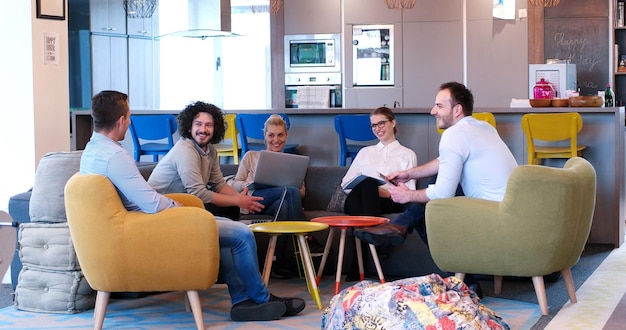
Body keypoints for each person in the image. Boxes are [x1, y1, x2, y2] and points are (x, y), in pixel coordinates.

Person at [81, 92, 304, 322]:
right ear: (120, 120)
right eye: (128, 117)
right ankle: (261, 299)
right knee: (240, 233)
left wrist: (240, 197)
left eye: (209, 124)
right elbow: (153, 200)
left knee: (229, 230)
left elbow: (216, 183)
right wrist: (177, 206)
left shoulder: (94, 151)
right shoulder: (118, 156)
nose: (129, 121)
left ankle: (243, 302)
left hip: (154, 217)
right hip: (155, 221)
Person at [354, 82, 518, 248]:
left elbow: (442, 193)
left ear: (457, 110)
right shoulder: (483, 128)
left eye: (439, 106)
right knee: (443, 178)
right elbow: (445, 161)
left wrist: (408, 196)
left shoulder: (454, 134)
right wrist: (409, 174)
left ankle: (403, 227)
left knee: (431, 209)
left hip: (491, 217)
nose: (433, 111)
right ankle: (400, 225)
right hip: (510, 213)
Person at [341, 107, 417, 216]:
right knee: (366, 184)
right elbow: (345, 184)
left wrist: (386, 193)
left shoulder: (408, 154)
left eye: (381, 123)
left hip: (388, 201)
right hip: (357, 198)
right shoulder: (364, 152)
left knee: (369, 184)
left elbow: (410, 190)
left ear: (393, 123)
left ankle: (360, 231)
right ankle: (369, 230)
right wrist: (371, 191)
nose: (377, 129)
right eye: (373, 125)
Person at [230, 114, 305, 220]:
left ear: (286, 135)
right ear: (265, 135)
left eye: (280, 135)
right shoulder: (251, 155)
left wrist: (289, 186)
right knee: (289, 191)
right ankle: (304, 234)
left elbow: (301, 193)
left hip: (274, 203)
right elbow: (235, 184)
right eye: (271, 135)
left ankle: (284, 237)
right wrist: (244, 185)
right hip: (255, 199)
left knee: (283, 204)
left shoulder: (293, 161)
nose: (276, 139)